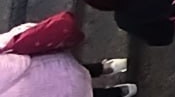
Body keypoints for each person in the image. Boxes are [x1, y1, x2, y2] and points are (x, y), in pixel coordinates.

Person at [0, 20, 134, 97]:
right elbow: (11, 40)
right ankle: (106, 68)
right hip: (48, 66)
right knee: (74, 71)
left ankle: (117, 92)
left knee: (86, 94)